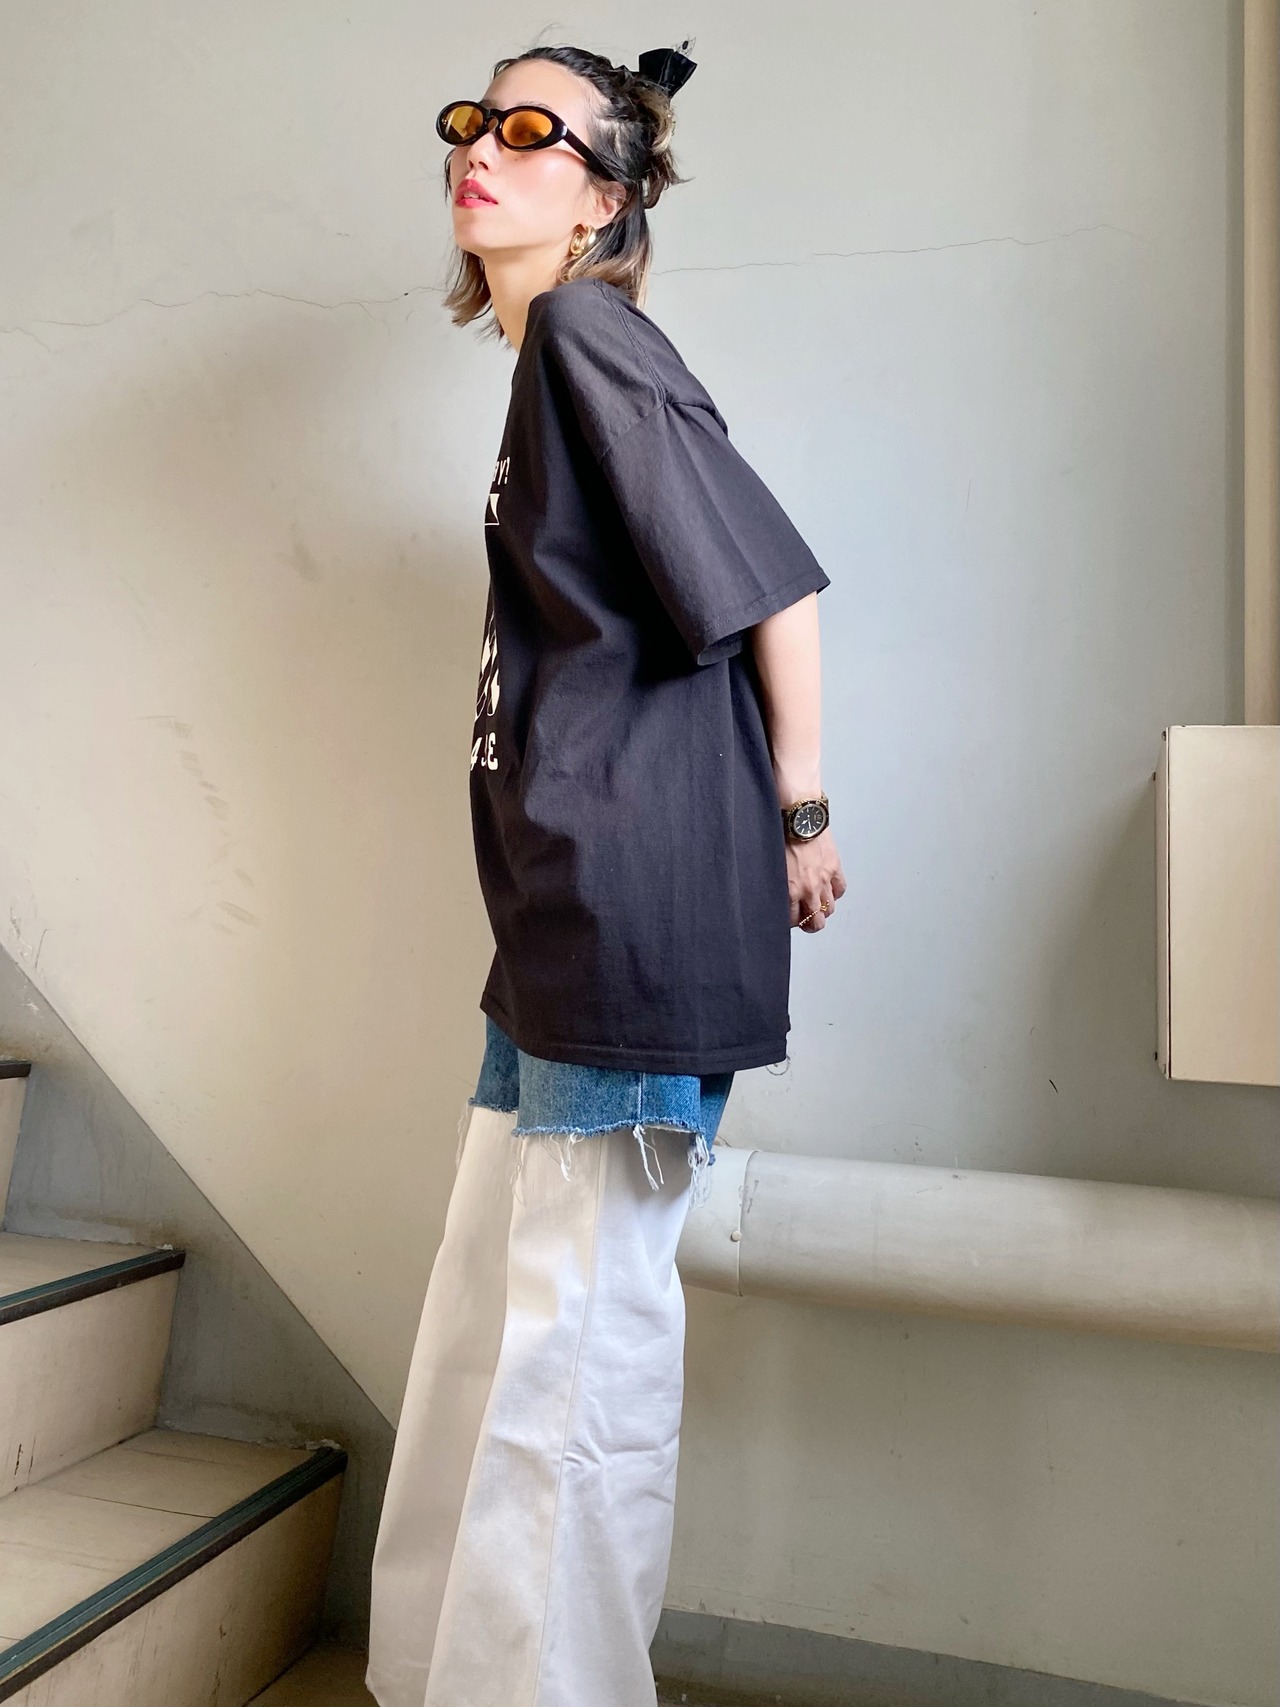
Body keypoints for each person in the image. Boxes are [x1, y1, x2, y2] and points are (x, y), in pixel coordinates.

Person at [366, 39, 846, 1707]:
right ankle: (441, 1676)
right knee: (494, 1323)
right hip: (559, 920)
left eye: (529, 129)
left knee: (575, 1362)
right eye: (471, 121)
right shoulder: (551, 367)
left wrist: (802, 811)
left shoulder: (586, 334)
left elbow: (773, 584)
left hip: (629, 912)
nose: (480, 150)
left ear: (607, 192)